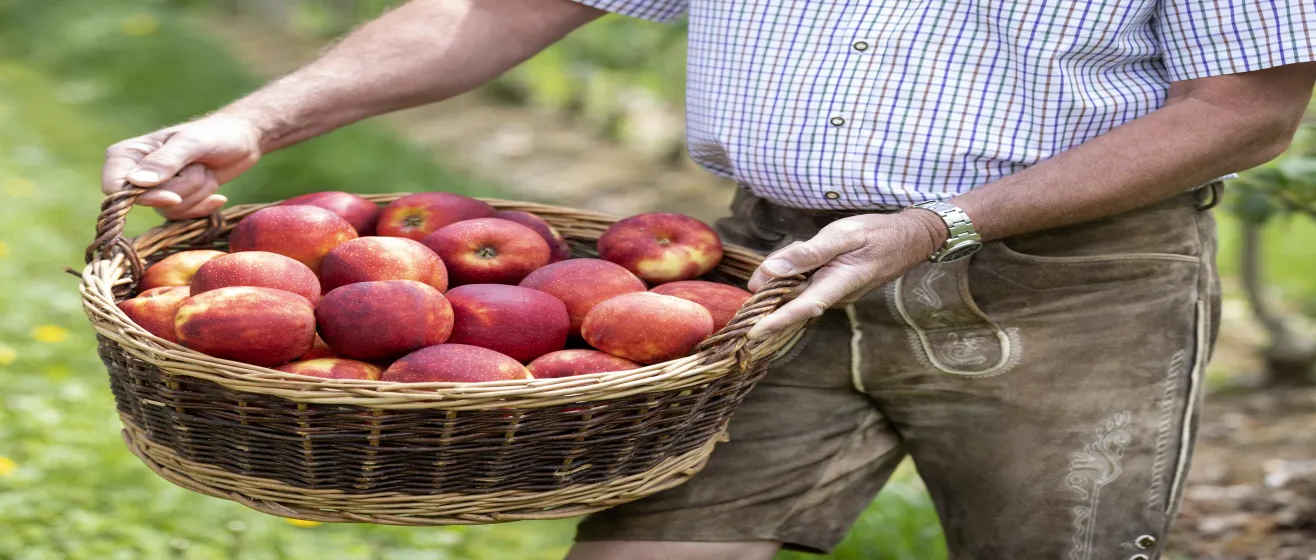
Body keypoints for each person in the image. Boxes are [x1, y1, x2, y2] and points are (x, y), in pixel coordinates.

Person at [102, 0, 1315, 558]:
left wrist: (943, 223)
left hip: (1072, 283)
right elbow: (501, 6)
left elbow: (1245, 109)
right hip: (755, 276)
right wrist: (257, 117)